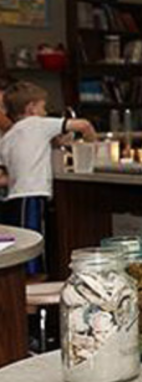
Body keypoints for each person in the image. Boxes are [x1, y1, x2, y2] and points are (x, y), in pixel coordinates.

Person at [0, 82, 97, 274]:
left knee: (20, 245)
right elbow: (83, 125)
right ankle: (34, 280)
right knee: (34, 246)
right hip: (33, 194)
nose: (45, 112)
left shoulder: (8, 136)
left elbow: (6, 173)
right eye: (43, 107)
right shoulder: (38, 124)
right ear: (31, 108)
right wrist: (94, 145)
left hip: (13, 198)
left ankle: (21, 284)